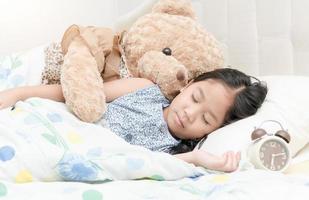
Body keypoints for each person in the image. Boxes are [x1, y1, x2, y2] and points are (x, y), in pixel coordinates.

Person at [0, 68, 267, 172]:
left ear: (213, 130)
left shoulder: (177, 149)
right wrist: (20, 92)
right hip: (63, 125)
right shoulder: (144, 88)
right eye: (196, 98)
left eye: (206, 119)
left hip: (87, 153)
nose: (190, 113)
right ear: (188, 85)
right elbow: (80, 95)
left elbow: (151, 166)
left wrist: (198, 159)